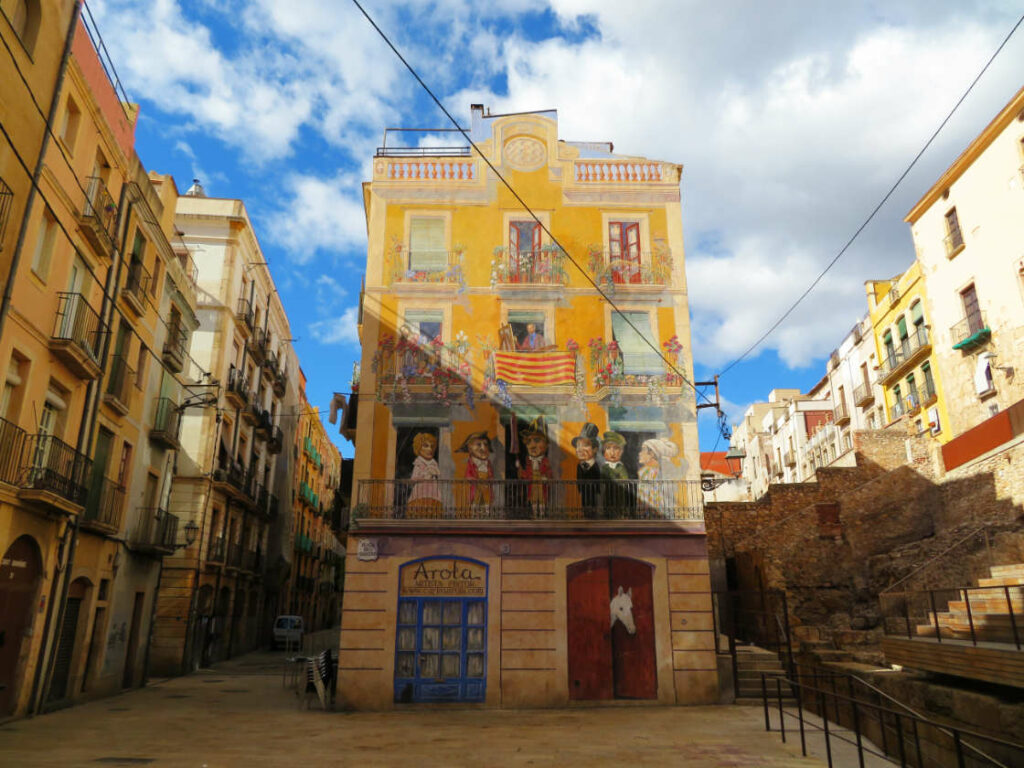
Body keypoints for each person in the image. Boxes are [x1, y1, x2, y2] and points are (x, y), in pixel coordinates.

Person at [636, 438, 679, 518]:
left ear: (652, 454)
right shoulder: (647, 470)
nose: (640, 453)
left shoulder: (653, 471)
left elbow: (653, 494)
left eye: (643, 450)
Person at [518, 419, 552, 517]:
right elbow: (526, 474)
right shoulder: (528, 461)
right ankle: (534, 513)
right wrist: (520, 470)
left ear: (545, 445)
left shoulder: (545, 461)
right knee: (533, 499)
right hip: (533, 484)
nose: (532, 446)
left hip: (541, 483)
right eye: (528, 442)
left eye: (537, 441)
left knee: (542, 499)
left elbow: (549, 472)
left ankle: (541, 513)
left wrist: (546, 477)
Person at [457, 431, 494, 515]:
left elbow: (491, 475)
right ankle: (475, 513)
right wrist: (476, 481)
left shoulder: (488, 463)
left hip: (486, 488)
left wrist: (489, 480)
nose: (483, 448)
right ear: (470, 447)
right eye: (478, 444)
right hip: (476, 488)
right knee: (476, 500)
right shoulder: (471, 463)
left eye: (485, 444)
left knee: (486, 501)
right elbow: (468, 475)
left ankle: (486, 513)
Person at [407, 432, 442, 517]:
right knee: (419, 511)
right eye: (426, 446)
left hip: (433, 493)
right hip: (420, 493)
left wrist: (435, 472)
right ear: (419, 448)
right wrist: (424, 476)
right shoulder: (418, 463)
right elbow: (413, 478)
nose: (429, 449)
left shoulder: (433, 463)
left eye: (432, 446)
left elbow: (439, 473)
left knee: (433, 511)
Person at [572, 422, 602, 518]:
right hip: (584, 492)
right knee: (584, 504)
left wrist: (597, 489)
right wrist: (580, 488)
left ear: (595, 449)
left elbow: (598, 479)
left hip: (593, 492)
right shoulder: (579, 465)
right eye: (578, 446)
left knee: (593, 504)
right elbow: (579, 479)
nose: (580, 449)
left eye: (585, 445)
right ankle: (586, 514)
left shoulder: (595, 465)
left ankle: (593, 515)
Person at [600, 431, 632, 517]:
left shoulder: (621, 467)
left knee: (619, 509)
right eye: (608, 448)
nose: (612, 452)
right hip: (608, 495)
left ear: (621, 452)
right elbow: (603, 479)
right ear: (604, 452)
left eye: (616, 448)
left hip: (620, 495)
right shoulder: (604, 467)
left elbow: (624, 479)